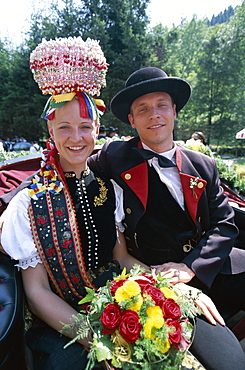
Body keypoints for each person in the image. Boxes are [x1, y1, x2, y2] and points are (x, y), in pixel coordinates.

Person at [0, 37, 143, 370]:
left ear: (97, 130)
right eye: (64, 127)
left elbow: (121, 258)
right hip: (59, 321)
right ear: (50, 130)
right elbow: (36, 293)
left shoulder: (110, 189)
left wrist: (159, 287)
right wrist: (94, 340)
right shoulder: (28, 203)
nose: (76, 138)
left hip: (116, 305)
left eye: (85, 127)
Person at [88, 67, 245, 369]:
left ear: (174, 111)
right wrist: (11, 198)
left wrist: (190, 267)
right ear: (132, 121)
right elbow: (67, 169)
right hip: (161, 280)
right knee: (231, 364)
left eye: (161, 105)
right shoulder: (114, 156)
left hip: (211, 265)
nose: (154, 115)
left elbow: (225, 224)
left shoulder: (204, 164)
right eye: (143, 109)